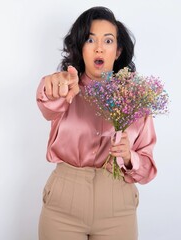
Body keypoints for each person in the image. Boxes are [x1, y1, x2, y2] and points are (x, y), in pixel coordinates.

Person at [36, 6, 157, 240]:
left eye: (108, 41)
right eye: (90, 39)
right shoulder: (66, 87)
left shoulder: (136, 98)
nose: (99, 47)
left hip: (117, 204)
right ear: (81, 47)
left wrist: (130, 157)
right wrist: (54, 85)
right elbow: (46, 103)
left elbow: (148, 166)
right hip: (64, 203)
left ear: (118, 50)